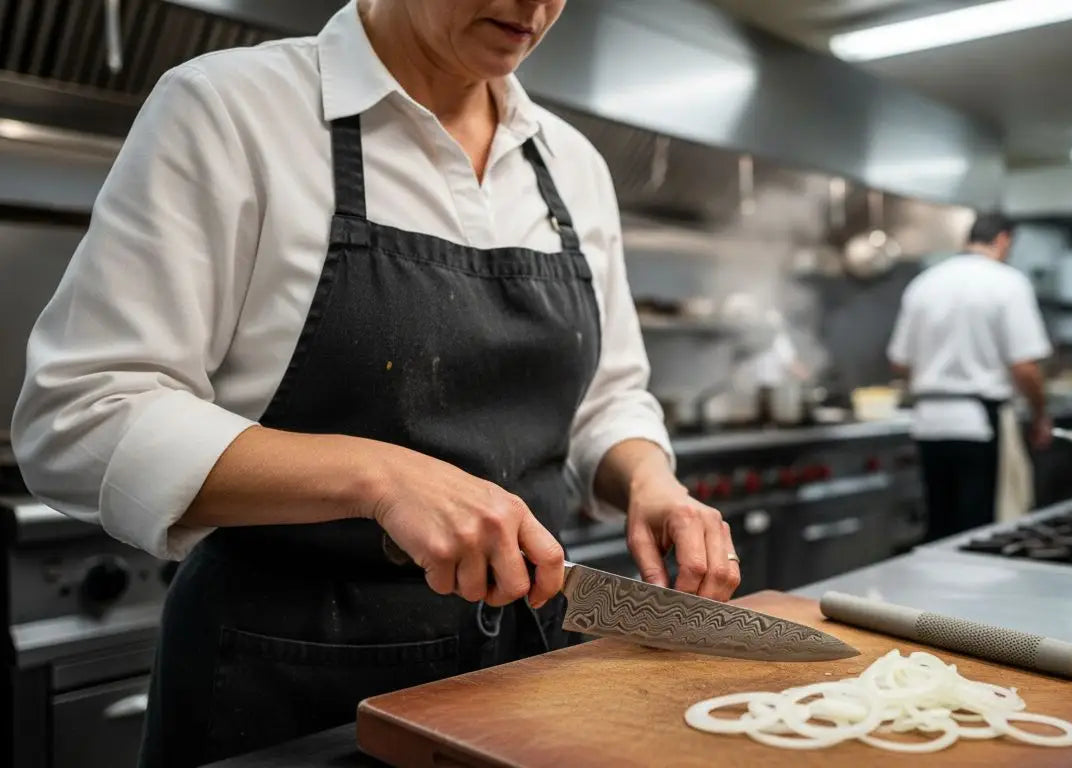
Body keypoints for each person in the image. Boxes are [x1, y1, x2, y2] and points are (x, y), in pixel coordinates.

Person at [9, 2, 740, 766]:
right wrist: (379, 476)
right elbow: (80, 417)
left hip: (527, 673)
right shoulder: (232, 109)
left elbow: (604, 398)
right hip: (282, 684)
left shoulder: (572, 164)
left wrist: (650, 482)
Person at [886, 213, 1053, 542]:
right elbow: (1024, 366)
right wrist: (1040, 415)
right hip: (979, 422)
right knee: (981, 527)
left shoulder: (924, 284)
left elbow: (899, 363)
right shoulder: (1007, 282)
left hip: (929, 421)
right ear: (1004, 240)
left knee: (938, 524)